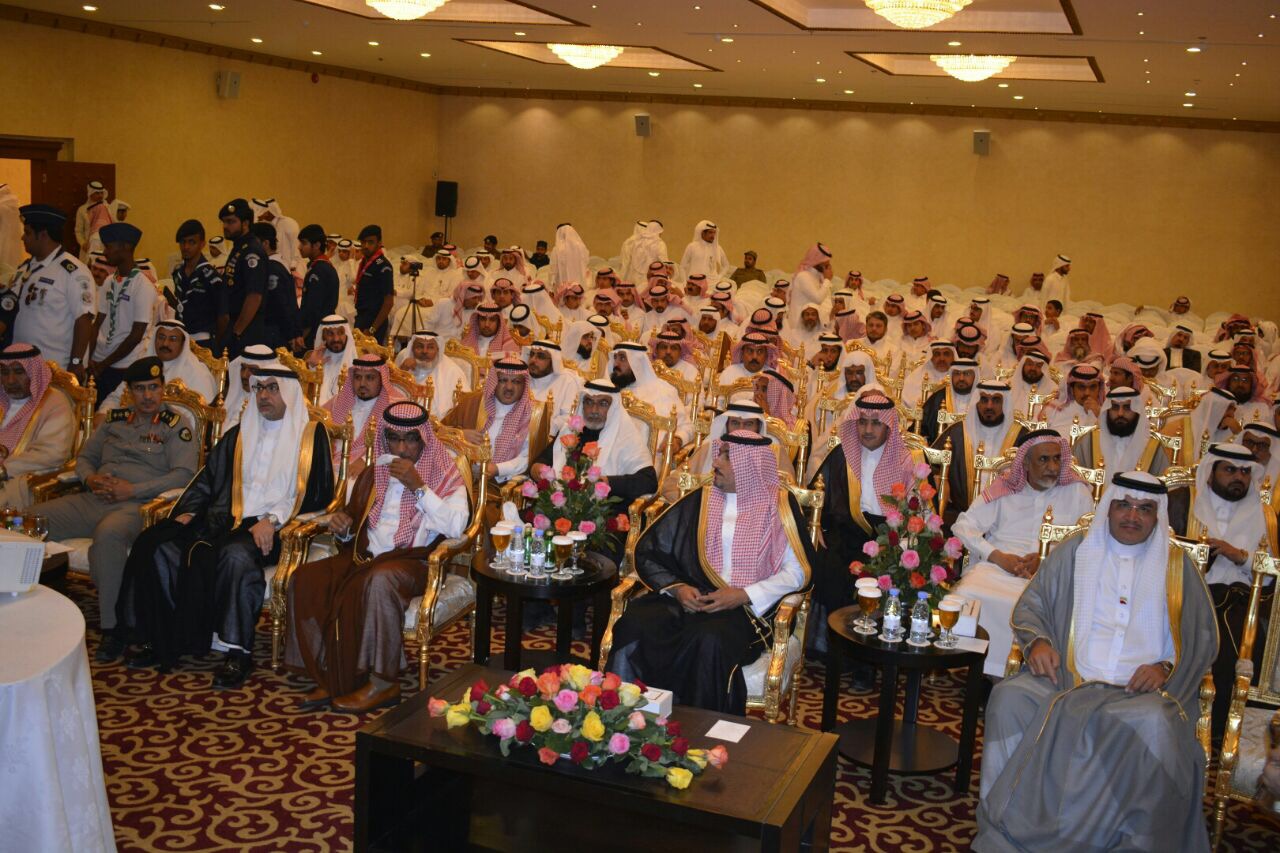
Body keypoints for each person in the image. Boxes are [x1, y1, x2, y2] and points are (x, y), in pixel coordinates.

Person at [977, 471, 1217, 853]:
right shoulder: (1076, 550)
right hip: (1067, 677)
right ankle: (1002, 825)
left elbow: (1202, 636)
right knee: (1008, 699)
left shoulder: (1177, 567)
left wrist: (1165, 667)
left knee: (1155, 723)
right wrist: (1039, 642)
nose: (1132, 516)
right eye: (1124, 505)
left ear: (1158, 516)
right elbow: (1032, 605)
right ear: (1109, 507)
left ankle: (1126, 842)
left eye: (1144, 509)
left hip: (1140, 693)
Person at [116, 366, 334, 686]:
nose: (264, 396)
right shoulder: (240, 434)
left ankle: (237, 652)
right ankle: (161, 635)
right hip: (223, 519)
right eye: (259, 388)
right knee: (158, 544)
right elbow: (209, 478)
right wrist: (188, 510)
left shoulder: (311, 437)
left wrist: (271, 520)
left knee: (235, 556)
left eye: (272, 388)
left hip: (273, 529)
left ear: (288, 392)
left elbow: (318, 493)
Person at [607, 431, 815, 713]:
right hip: (692, 597)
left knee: (708, 641)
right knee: (635, 623)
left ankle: (694, 726)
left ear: (748, 465)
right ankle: (624, 715)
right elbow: (654, 550)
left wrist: (744, 594)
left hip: (744, 610)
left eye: (727, 456)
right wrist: (677, 588)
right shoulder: (702, 499)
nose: (716, 462)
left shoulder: (779, 507)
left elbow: (797, 572)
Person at [285, 401, 468, 711]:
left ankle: (384, 683)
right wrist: (344, 529)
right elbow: (355, 524)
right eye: (393, 438)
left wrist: (419, 487)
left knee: (377, 582)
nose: (401, 448)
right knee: (306, 578)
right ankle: (330, 674)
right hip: (364, 558)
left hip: (413, 562)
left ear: (424, 440)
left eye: (410, 439)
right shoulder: (374, 475)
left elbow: (456, 526)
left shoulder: (443, 475)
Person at [33, 357, 198, 661]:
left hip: (137, 505)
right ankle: (31, 607)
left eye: (153, 387)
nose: (147, 395)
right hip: (95, 498)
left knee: (108, 535)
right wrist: (90, 478)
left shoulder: (176, 426)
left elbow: (184, 475)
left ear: (162, 388)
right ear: (129, 392)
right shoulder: (114, 420)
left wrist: (133, 490)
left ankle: (114, 628)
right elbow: (84, 459)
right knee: (31, 522)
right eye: (140, 389)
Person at [952, 430, 1093, 678]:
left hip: (1050, 576)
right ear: (1025, 463)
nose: (1052, 467)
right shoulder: (1004, 488)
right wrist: (997, 556)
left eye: (1057, 459)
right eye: (1043, 459)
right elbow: (963, 525)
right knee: (968, 594)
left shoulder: (1077, 493)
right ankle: (979, 670)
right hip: (998, 569)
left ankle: (1018, 675)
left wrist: (1047, 561)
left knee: (1030, 605)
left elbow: (1089, 542)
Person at [1169, 442, 1267, 741]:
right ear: (1210, 473)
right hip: (1185, 597)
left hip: (1241, 602)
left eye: (1245, 472)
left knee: (1236, 649)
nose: (1239, 477)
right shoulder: (1182, 503)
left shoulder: (1265, 516)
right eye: (1230, 470)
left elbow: (1272, 575)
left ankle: (1219, 737)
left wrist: (1240, 556)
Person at [806, 390, 917, 624]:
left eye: (876, 423)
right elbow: (814, 496)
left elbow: (918, 514)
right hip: (844, 537)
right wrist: (814, 523)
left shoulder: (905, 461)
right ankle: (837, 639)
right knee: (828, 569)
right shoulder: (842, 455)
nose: (867, 430)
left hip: (889, 541)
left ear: (888, 426)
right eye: (862, 422)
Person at [531, 379, 657, 562]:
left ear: (613, 407)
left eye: (603, 403)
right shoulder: (571, 430)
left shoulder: (627, 436)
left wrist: (607, 482)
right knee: (527, 530)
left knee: (597, 555)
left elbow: (648, 481)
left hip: (606, 513)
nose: (594, 410)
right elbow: (543, 460)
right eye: (589, 402)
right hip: (563, 508)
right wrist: (537, 469)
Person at [5, 205, 96, 380]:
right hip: (20, 366)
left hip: (54, 369)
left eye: (28, 232)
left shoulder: (73, 272)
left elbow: (84, 319)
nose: (23, 237)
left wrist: (76, 362)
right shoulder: (24, 268)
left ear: (43, 235)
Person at [0, 344, 76, 508]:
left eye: (19, 372)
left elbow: (52, 454)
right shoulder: (2, 397)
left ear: (34, 372)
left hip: (19, 478)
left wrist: (4, 469)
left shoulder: (54, 402)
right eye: (5, 372)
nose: (10, 380)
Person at [89, 222, 155, 404]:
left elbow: (136, 335)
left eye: (108, 247)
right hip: (97, 363)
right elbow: (97, 323)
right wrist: (90, 357)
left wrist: (104, 364)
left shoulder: (143, 286)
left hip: (122, 365)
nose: (105, 252)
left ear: (125, 247)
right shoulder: (109, 281)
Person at [95, 320, 217, 415]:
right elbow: (118, 397)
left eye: (173, 339)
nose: (165, 344)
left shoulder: (197, 373)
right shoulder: (141, 366)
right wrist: (104, 413)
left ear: (183, 344)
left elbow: (203, 415)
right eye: (161, 337)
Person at [325, 353, 402, 484]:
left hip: (369, 471)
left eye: (370, 378)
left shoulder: (395, 408)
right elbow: (318, 424)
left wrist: (368, 461)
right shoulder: (339, 402)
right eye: (357, 377)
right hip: (331, 464)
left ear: (381, 379)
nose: (362, 383)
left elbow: (400, 447)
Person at [1073, 386, 1170, 476]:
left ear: (1137, 412)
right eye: (1115, 407)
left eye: (1127, 408)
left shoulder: (1153, 448)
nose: (1120, 413)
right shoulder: (1087, 443)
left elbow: (1163, 484)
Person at [610, 342, 692, 448]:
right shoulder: (609, 391)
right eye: (615, 358)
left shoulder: (663, 390)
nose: (616, 364)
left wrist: (677, 440)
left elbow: (687, 427)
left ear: (637, 363)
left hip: (651, 455)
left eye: (622, 358)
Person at [216, 198, 269, 358]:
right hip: (236, 325)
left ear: (245, 223)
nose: (225, 226)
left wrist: (236, 332)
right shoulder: (239, 247)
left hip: (247, 329)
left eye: (231, 221)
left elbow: (254, 296)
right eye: (224, 222)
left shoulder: (252, 251)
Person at [170, 219, 227, 346]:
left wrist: (215, 343)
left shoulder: (211, 276)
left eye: (192, 242)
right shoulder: (177, 273)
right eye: (183, 242)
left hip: (204, 340)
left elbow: (223, 317)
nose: (186, 247)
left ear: (202, 244)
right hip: (180, 338)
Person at [250, 222, 302, 351]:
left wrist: (291, 333)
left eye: (253, 243)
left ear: (265, 243)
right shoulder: (276, 265)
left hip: (274, 333)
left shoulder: (271, 268)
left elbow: (281, 304)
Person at [399, 329, 470, 419]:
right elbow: (390, 395)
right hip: (403, 418)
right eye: (419, 347)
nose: (424, 351)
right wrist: (402, 371)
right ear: (412, 349)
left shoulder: (452, 370)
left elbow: (465, 404)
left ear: (437, 350)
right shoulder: (404, 365)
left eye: (430, 347)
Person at [296, 224, 339, 351]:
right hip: (319, 329)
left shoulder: (319, 270)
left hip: (316, 332)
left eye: (304, 243)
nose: (299, 247)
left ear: (317, 245)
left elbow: (313, 309)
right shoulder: (318, 266)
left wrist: (302, 335)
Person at [525, 338, 581, 434]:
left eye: (540, 356)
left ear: (553, 361)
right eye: (531, 354)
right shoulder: (523, 377)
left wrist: (539, 428)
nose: (533, 360)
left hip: (549, 437)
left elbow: (570, 417)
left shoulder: (567, 381)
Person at [354, 224, 395, 343]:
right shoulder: (364, 262)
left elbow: (388, 302)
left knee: (372, 354)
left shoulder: (383, 266)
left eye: (370, 242)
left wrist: (372, 329)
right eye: (363, 242)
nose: (366, 246)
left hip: (375, 322)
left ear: (379, 243)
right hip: (361, 317)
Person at [306, 314, 356, 405]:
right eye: (330, 334)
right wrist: (311, 366)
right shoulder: (318, 358)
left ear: (346, 335)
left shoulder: (356, 362)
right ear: (323, 337)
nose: (336, 339)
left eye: (340, 333)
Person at [251, 198, 302, 276]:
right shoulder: (267, 226)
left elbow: (296, 245)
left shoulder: (288, 223)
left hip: (292, 268)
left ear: (268, 212)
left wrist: (293, 265)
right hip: (275, 265)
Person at [74, 180, 111, 262]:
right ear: (90, 194)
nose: (100, 195)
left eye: (101, 193)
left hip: (106, 247)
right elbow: (78, 231)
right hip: (88, 247)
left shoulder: (108, 208)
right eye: (97, 193)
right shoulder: (82, 210)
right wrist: (83, 243)